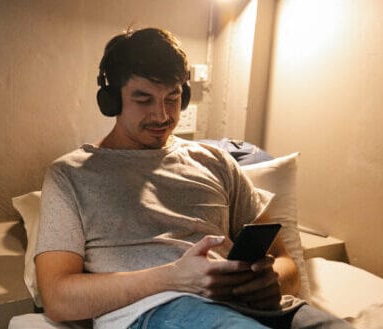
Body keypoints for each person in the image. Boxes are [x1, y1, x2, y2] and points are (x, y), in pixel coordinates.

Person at [34, 27, 352, 329]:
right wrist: (174, 277)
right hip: (160, 309)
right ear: (112, 100)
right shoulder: (71, 176)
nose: (162, 115)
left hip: (265, 307)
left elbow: (286, 261)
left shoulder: (215, 162)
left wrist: (272, 281)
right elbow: (57, 297)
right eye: (143, 99)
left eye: (172, 98)